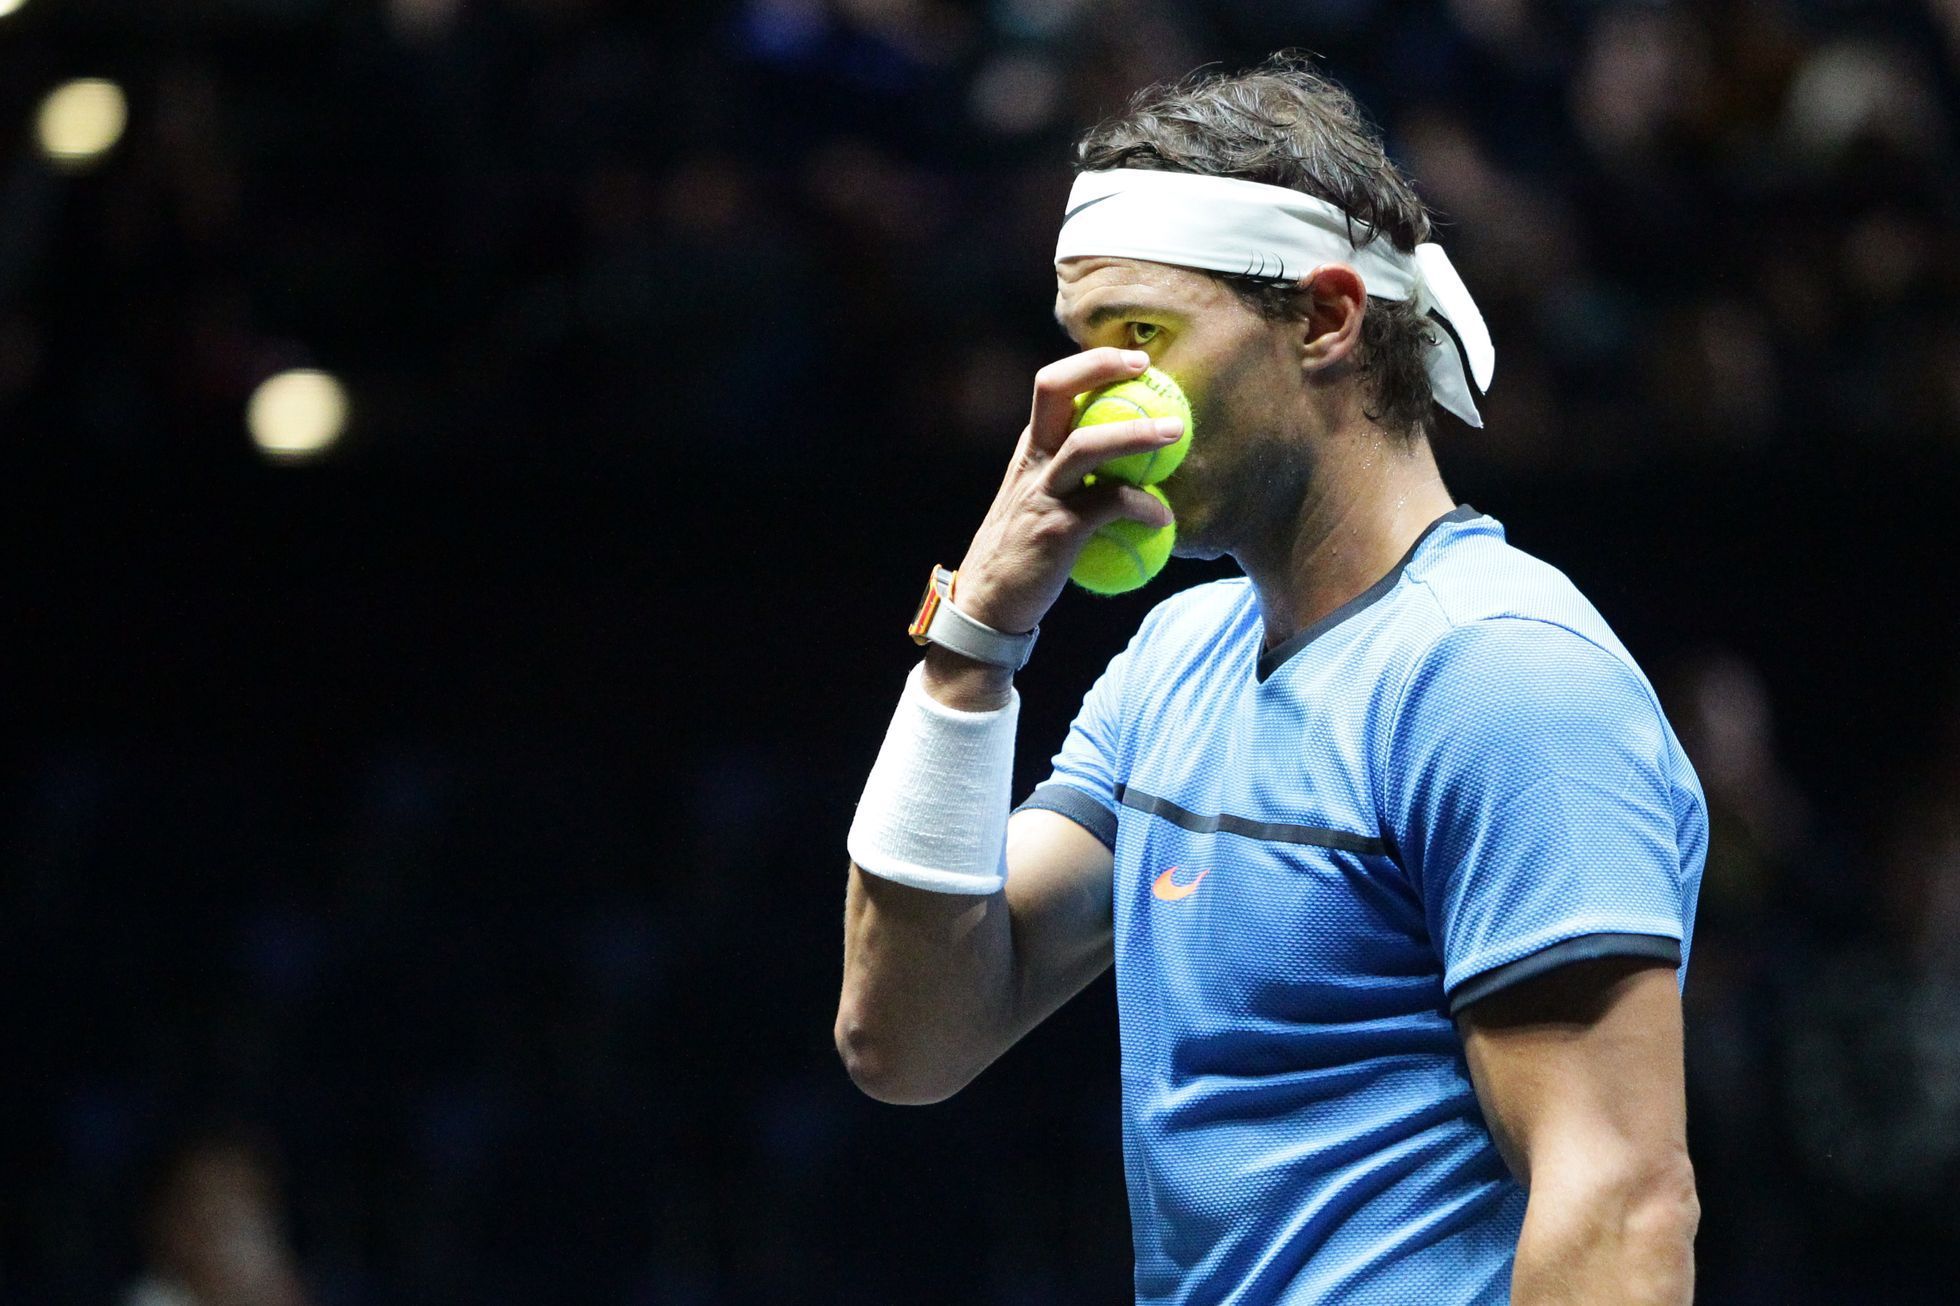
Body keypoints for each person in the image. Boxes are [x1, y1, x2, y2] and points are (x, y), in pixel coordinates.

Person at [837, 55, 1704, 1305]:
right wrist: (975, 637)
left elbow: (1619, 1207)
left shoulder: (1501, 677)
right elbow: (900, 1037)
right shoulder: (1175, 660)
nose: (1086, 405)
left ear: (1329, 319)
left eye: (1140, 337)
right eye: (1079, 346)